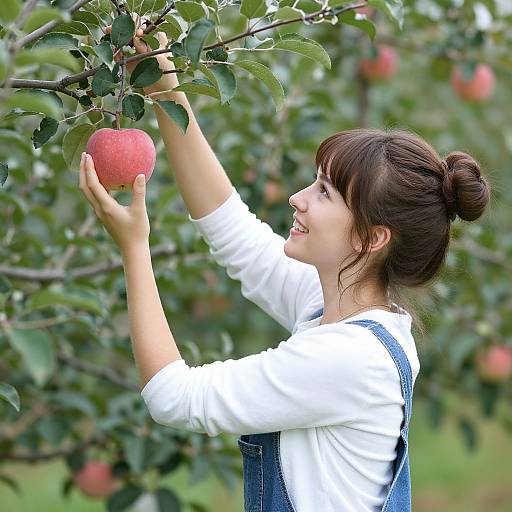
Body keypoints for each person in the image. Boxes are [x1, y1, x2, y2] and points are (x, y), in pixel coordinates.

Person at [80, 26, 491, 512]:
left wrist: (134, 247)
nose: (298, 199)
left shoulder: (348, 359)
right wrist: (165, 88)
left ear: (372, 237)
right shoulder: (339, 307)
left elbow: (175, 396)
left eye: (324, 193)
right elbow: (230, 228)